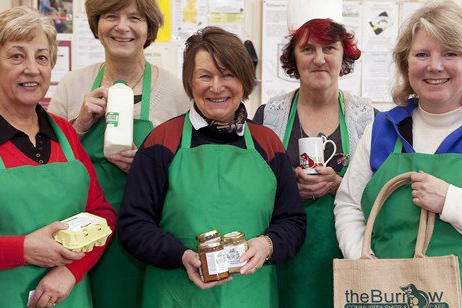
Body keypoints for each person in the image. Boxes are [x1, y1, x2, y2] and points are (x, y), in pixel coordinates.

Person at [118, 26, 306, 307]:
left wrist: (267, 245)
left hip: (251, 297)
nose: (216, 86)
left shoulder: (268, 144)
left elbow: (293, 221)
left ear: (243, 80)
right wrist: (181, 256)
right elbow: (134, 225)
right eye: (205, 76)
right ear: (190, 83)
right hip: (176, 296)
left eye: (228, 74)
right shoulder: (162, 142)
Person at [47, 0, 190, 306]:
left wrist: (149, 170)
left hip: (151, 235)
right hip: (83, 240)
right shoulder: (73, 85)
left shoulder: (175, 91)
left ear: (148, 28)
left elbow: (192, 170)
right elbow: (45, 164)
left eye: (135, 18)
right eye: (111, 16)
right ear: (97, 25)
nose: (122, 27)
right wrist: (80, 125)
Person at [334, 0, 462, 284]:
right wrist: (363, 263)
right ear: (406, 64)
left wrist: (450, 201)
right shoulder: (383, 129)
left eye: (450, 53)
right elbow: (349, 205)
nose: (435, 66)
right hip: (387, 294)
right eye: (422, 54)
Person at [253, 18, 374, 307]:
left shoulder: (367, 119)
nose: (319, 59)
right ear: (293, 58)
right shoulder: (268, 116)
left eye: (329, 48)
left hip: (348, 255)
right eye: (308, 49)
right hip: (281, 257)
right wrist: (283, 186)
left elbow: (382, 195)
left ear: (343, 56)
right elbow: (249, 190)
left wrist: (339, 185)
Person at [0, 7, 115, 308]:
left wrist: (70, 271)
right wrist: (23, 249)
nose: (32, 69)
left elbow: (103, 215)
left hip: (70, 297)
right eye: (16, 56)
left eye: (41, 57)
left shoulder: (64, 133)